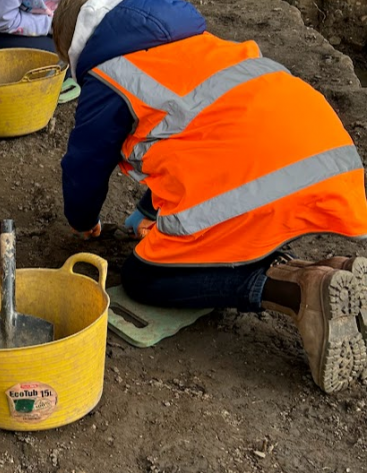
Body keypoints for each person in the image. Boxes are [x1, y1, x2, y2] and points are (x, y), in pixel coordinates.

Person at [53, 0, 367, 393]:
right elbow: (195, 135)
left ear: (74, 47)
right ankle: (331, 268)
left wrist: (83, 223)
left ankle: (294, 292)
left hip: (254, 186)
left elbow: (84, 167)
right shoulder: (194, 42)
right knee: (237, 233)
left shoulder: (107, 76)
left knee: (143, 277)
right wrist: (148, 208)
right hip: (319, 161)